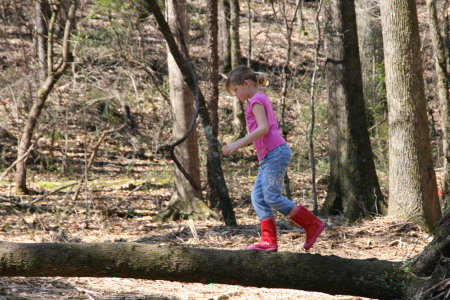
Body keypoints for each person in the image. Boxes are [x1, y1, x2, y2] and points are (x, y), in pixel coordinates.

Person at [223, 65, 325, 252]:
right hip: (269, 156)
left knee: (271, 196)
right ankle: (269, 241)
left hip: (275, 153)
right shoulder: (256, 99)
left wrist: (238, 143)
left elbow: (263, 128)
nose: (236, 95)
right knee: (258, 197)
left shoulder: (256, 100)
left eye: (236, 91)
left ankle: (312, 224)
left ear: (246, 83)